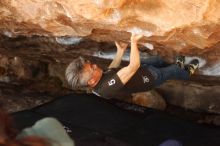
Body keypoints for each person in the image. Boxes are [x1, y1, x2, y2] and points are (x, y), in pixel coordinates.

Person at [65, 33, 199, 99]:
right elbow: (133, 67)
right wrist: (134, 41)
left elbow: (110, 70)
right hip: (149, 78)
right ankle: (185, 73)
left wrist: (120, 52)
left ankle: (177, 67)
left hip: (143, 69)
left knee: (159, 60)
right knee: (171, 71)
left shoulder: (97, 80)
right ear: (92, 81)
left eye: (91, 64)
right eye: (92, 68)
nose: (94, 65)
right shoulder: (106, 89)